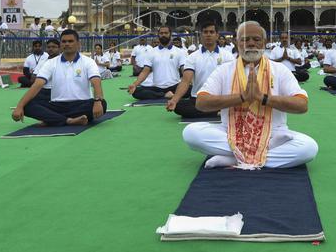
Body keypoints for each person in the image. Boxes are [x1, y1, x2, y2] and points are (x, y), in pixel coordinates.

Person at [182, 21, 317, 169]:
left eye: (256, 39)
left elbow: (302, 105)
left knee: (309, 148)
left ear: (265, 43)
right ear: (237, 42)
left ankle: (235, 157)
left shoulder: (279, 70)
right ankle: (261, 152)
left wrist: (263, 97)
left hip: (273, 132)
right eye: (245, 39)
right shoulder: (224, 70)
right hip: (230, 131)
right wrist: (242, 97)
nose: (251, 43)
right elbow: (201, 102)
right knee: (190, 133)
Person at [12, 30, 106, 126]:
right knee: (27, 106)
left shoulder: (88, 62)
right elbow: (37, 85)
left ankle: (53, 119)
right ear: (61, 44)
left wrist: (97, 101)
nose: (67, 44)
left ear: (78, 44)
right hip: (57, 105)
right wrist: (19, 106)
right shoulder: (51, 63)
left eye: (70, 41)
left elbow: (96, 82)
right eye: (64, 41)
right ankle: (69, 120)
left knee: (102, 103)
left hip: (81, 104)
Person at [168, 22, 234, 118]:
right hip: (198, 98)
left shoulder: (227, 55)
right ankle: (217, 112)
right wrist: (174, 100)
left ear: (217, 35)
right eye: (205, 32)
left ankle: (215, 110)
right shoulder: (193, 57)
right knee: (178, 106)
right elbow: (185, 81)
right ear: (201, 35)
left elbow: (232, 78)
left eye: (211, 32)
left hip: (219, 98)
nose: (208, 35)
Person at [128, 26, 187, 100]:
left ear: (170, 35)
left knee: (190, 89)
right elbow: (145, 71)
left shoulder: (179, 52)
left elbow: (184, 70)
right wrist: (135, 84)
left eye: (166, 33)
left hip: (175, 86)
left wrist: (189, 82)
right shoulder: (152, 52)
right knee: (136, 91)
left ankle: (165, 95)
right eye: (161, 33)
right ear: (158, 35)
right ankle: (165, 95)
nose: (163, 35)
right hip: (157, 87)